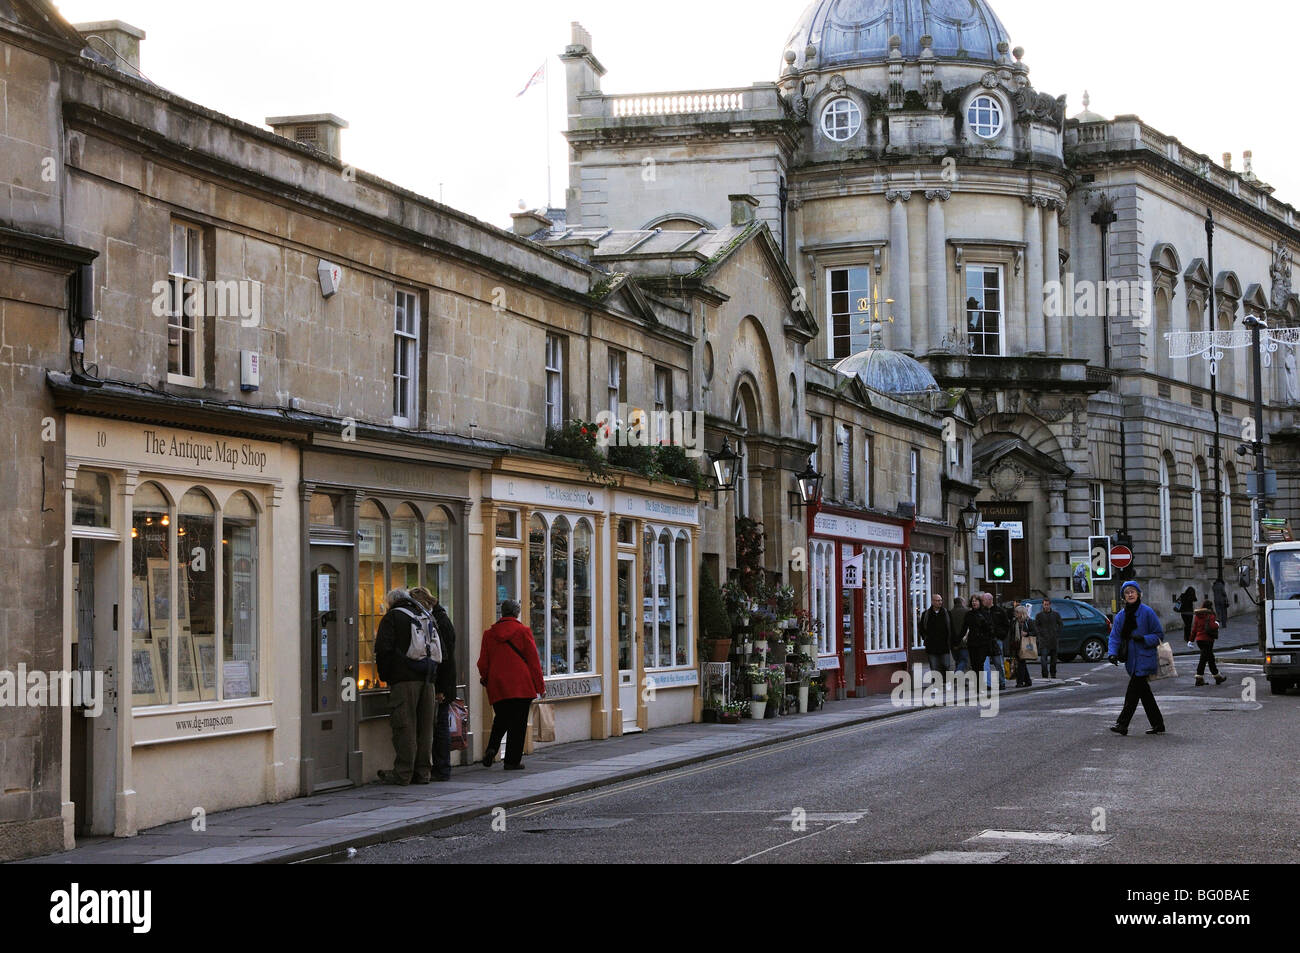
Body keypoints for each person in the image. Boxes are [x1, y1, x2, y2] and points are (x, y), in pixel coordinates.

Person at [375, 588, 437, 785]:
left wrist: (386, 676)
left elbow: (383, 650)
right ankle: (423, 772)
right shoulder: (424, 614)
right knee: (425, 728)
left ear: (391, 603)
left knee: (405, 726)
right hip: (428, 680)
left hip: (404, 681)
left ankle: (403, 773)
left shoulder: (393, 617)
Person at [477, 599, 546, 770]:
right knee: (518, 724)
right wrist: (540, 686)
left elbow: (483, 663)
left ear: (502, 613)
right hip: (521, 684)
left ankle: (492, 748)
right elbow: (533, 661)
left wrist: (486, 678)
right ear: (517, 613)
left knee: (501, 719)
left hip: (498, 684)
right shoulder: (523, 631)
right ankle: (512, 761)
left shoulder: (489, 634)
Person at [1107, 581, 1166, 736]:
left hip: (1146, 658)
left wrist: (1144, 639)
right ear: (1123, 597)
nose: (1130, 595)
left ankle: (1122, 724)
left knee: (1132, 692)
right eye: (1127, 593)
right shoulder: (1121, 616)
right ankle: (1158, 724)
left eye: (1133, 591)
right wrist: (1112, 653)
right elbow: (1114, 637)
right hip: (1131, 660)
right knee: (1145, 694)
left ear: (1139, 594)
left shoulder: (1147, 612)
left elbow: (1159, 635)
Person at [410, 587, 457, 781]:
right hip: (440, 682)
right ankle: (440, 767)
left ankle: (442, 768)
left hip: (440, 683)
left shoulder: (438, 621)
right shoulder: (439, 618)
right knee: (438, 727)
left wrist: (441, 689)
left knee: (439, 728)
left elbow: (443, 658)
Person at [1191, 599, 1227, 687]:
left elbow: (1194, 629)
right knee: (1204, 659)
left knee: (1210, 658)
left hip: (1199, 640)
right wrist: (1217, 624)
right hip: (1208, 640)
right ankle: (1199, 678)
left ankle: (1217, 677)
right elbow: (1212, 626)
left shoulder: (1197, 615)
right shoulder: (1210, 615)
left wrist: (1191, 640)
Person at [965, 595, 996, 690]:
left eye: (976, 601)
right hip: (972, 642)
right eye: (973, 601)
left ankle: (980, 685)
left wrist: (983, 623)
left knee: (980, 664)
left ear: (980, 602)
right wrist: (957, 640)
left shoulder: (985, 613)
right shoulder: (969, 614)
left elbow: (990, 628)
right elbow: (964, 627)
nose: (974, 603)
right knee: (974, 665)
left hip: (983, 643)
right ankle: (977, 684)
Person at [919, 594, 952, 675]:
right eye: (938, 600)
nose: (940, 602)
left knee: (946, 665)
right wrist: (925, 638)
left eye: (941, 600)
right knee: (934, 666)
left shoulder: (946, 613)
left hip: (944, 644)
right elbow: (921, 628)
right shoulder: (926, 614)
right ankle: (936, 684)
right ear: (933, 602)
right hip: (931, 645)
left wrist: (951, 640)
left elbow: (951, 627)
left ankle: (947, 682)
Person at [982, 593, 1008, 691]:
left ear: (989, 600)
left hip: (996, 640)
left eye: (983, 600)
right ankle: (988, 684)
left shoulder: (999, 611)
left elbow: (1006, 625)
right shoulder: (982, 611)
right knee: (985, 664)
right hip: (985, 640)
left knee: (998, 663)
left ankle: (1002, 682)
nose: (982, 602)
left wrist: (1001, 635)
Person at [1037, 598, 1063, 680]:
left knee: (1054, 660)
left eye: (1047, 604)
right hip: (1043, 641)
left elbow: (1061, 625)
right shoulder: (1039, 615)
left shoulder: (1056, 614)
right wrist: (1040, 634)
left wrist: (1057, 633)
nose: (1046, 606)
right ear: (1043, 605)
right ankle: (1044, 675)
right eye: (1045, 604)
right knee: (1043, 659)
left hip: (1053, 640)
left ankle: (1053, 674)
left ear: (1050, 605)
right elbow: (1036, 627)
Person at [1011, 604, 1035, 687]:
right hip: (1017, 645)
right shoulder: (1014, 622)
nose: (1015, 614)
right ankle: (1028, 681)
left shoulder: (1029, 621)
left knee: (1021, 664)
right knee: (1021, 663)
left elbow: (1035, 632)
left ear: (1021, 613)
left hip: (1025, 645)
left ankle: (1020, 682)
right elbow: (1012, 634)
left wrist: (1027, 633)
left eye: (1017, 612)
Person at [951, 596, 974, 673]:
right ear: (962, 602)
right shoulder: (967, 612)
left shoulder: (950, 612)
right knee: (964, 660)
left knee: (958, 661)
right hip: (964, 642)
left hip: (953, 642)